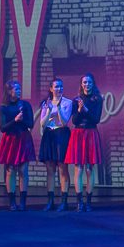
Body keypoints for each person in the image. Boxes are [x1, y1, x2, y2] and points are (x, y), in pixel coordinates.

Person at [65, 73, 103, 212]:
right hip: (78, 133)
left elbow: (96, 119)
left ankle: (88, 202)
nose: (87, 85)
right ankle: (79, 202)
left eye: (89, 82)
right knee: (79, 168)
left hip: (91, 132)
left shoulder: (97, 99)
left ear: (93, 84)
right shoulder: (76, 100)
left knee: (89, 168)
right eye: (85, 82)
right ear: (81, 84)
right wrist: (80, 110)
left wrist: (85, 110)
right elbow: (74, 121)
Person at [34, 77, 73, 211]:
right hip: (49, 135)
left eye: (61, 86)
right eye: (56, 86)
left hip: (62, 134)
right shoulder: (46, 103)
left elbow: (64, 122)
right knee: (50, 169)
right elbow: (42, 123)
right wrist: (50, 110)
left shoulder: (68, 102)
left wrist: (58, 108)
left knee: (63, 168)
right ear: (51, 89)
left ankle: (64, 201)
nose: (59, 89)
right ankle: (50, 201)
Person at [0, 80, 34, 211]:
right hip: (10, 140)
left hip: (23, 138)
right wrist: (15, 120)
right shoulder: (3, 108)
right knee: (10, 171)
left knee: (23, 170)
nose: (19, 91)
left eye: (19, 89)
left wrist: (22, 121)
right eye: (16, 89)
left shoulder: (25, 105)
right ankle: (12, 202)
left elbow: (30, 124)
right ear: (9, 91)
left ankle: (22, 202)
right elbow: (3, 128)